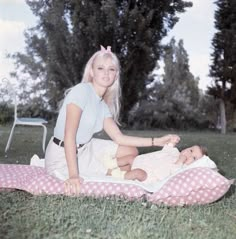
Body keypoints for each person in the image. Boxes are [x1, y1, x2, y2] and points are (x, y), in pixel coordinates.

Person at [45, 45, 180, 195]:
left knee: (131, 151)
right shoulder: (81, 91)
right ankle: (107, 172)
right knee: (90, 179)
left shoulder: (102, 105)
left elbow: (119, 138)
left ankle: (110, 170)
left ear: (116, 75)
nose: (106, 73)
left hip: (85, 148)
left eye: (111, 69)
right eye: (100, 68)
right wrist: (73, 176)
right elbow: (68, 136)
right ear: (91, 72)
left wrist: (157, 141)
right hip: (62, 155)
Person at [131, 144, 210, 183]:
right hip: (141, 162)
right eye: (191, 150)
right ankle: (118, 168)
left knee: (136, 173)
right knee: (128, 159)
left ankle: (120, 179)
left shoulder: (182, 168)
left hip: (148, 175)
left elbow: (174, 175)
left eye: (193, 158)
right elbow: (167, 149)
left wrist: (180, 161)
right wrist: (171, 143)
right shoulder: (175, 152)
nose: (189, 155)